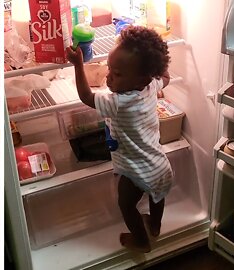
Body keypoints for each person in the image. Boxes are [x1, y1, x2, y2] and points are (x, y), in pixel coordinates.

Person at [66, 26, 173, 253]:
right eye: (109, 69)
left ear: (142, 77)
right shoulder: (151, 85)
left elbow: (86, 96)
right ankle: (154, 225)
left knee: (126, 205)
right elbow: (165, 77)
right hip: (160, 165)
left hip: (136, 170)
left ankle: (142, 241)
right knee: (157, 196)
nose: (108, 77)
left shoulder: (118, 103)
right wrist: (159, 64)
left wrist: (78, 64)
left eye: (118, 74)